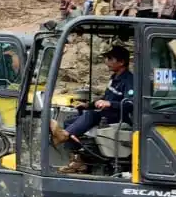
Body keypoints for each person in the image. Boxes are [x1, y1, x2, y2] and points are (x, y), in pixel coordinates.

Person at [50, 46, 133, 174]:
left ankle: (64, 135)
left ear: (121, 62)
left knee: (90, 115)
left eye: (110, 58)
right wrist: (88, 105)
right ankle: (78, 161)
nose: (107, 61)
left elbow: (130, 104)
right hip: (107, 113)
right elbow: (104, 99)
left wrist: (110, 104)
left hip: (119, 116)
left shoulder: (129, 80)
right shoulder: (114, 78)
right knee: (69, 121)